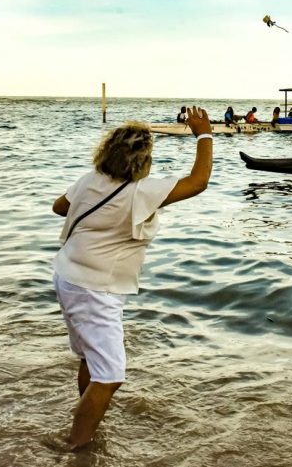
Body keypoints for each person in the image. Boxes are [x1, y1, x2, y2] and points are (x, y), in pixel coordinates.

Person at [51, 106, 213, 450]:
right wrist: (204, 133)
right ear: (143, 159)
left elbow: (59, 208)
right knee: (110, 375)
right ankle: (76, 445)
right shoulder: (141, 192)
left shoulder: (89, 180)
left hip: (68, 276)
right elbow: (198, 182)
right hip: (96, 290)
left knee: (90, 359)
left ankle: (86, 413)